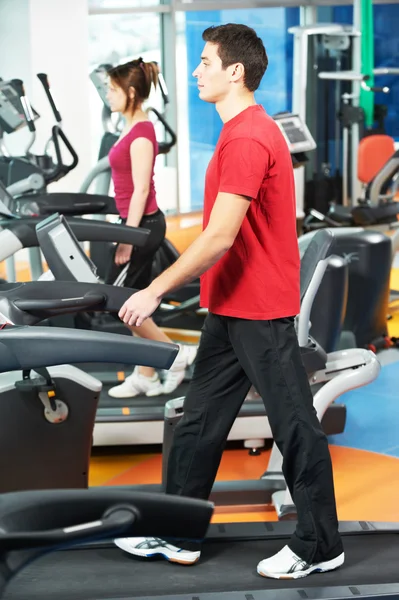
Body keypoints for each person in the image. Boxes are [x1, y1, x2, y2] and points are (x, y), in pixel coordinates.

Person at [113, 25, 344, 579]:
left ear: (234, 71)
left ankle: (319, 544)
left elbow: (219, 235)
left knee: (294, 427)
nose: (196, 71)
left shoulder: (246, 137)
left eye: (205, 61)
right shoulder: (242, 129)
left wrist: (154, 289)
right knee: (197, 423)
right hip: (230, 305)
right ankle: (176, 531)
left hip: (259, 309)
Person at [104, 59, 197, 399]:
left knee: (122, 303)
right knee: (130, 300)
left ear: (130, 93)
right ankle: (146, 374)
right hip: (135, 223)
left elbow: (142, 189)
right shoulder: (130, 126)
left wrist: (127, 238)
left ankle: (174, 354)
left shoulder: (142, 132)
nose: (107, 95)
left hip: (142, 226)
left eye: (112, 89)